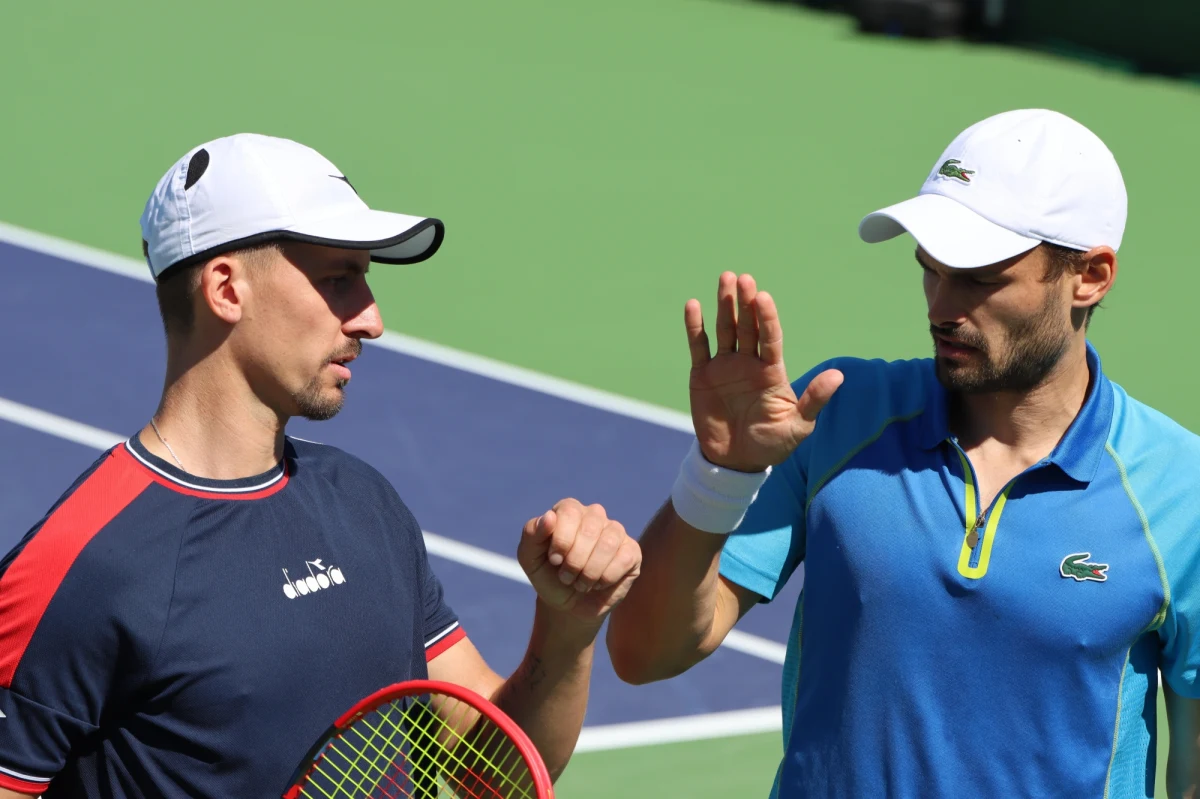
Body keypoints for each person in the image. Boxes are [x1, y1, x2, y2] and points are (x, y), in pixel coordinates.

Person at [0, 133, 641, 798]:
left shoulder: (365, 505)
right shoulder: (77, 566)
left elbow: (496, 777)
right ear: (227, 288)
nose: (372, 319)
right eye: (339, 279)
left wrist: (569, 627)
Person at [606, 108, 1200, 797]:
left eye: (980, 278)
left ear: (1091, 276)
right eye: (930, 270)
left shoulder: (1182, 491)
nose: (942, 307)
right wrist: (721, 474)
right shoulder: (837, 415)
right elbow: (644, 653)